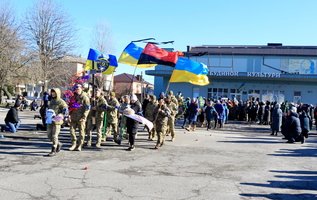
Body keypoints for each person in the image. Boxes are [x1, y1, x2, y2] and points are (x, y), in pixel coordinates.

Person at [46, 88, 68, 157]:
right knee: (49, 136)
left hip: (57, 121)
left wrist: (59, 116)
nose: (53, 93)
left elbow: (65, 111)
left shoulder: (61, 102)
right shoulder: (51, 101)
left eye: (54, 92)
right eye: (52, 92)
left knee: (54, 135)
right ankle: (58, 144)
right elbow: (49, 109)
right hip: (50, 121)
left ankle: (53, 150)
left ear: (57, 93)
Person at [69, 84, 90, 151]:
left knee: (81, 132)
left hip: (81, 118)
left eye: (78, 89)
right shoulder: (73, 97)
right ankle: (74, 144)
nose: (77, 90)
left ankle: (80, 145)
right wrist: (69, 115)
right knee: (72, 131)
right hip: (73, 117)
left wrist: (84, 117)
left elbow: (87, 108)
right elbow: (70, 106)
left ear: (81, 89)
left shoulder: (84, 97)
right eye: (76, 89)